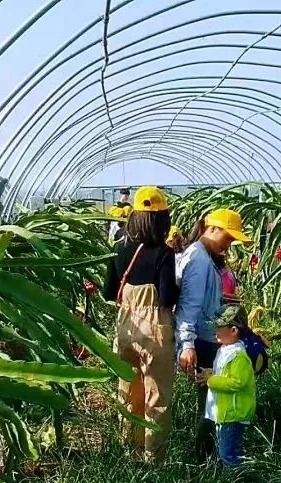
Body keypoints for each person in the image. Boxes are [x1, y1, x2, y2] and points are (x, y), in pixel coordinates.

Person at [102, 186, 178, 463]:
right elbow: (168, 296)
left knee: (128, 390)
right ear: (162, 219)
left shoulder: (119, 248)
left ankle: (128, 448)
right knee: (156, 396)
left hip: (126, 327)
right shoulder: (163, 253)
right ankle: (153, 458)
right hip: (155, 329)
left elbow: (108, 292)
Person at [176, 208, 251, 458]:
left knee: (210, 400)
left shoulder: (202, 257)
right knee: (210, 403)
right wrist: (187, 344)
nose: (228, 246)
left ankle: (208, 454)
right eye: (227, 238)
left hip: (206, 337)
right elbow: (189, 304)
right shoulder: (199, 260)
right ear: (212, 229)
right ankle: (205, 456)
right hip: (202, 340)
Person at [197, 305, 261, 466]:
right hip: (224, 413)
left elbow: (236, 382)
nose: (215, 330)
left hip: (233, 414)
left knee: (228, 454)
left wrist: (211, 379)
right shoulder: (226, 350)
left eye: (219, 327)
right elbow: (224, 373)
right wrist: (210, 372)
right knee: (226, 449)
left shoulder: (238, 356)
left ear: (233, 330)